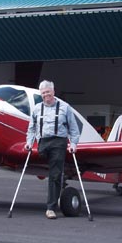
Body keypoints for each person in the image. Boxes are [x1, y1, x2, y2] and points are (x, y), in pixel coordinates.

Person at [24, 80, 80, 219]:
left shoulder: (65, 107)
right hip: (43, 143)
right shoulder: (37, 108)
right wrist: (29, 143)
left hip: (58, 143)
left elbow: (73, 128)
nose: (45, 95)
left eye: (48, 92)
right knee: (49, 168)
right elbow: (32, 128)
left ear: (53, 92)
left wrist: (73, 144)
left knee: (55, 174)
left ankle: (51, 208)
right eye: (43, 93)